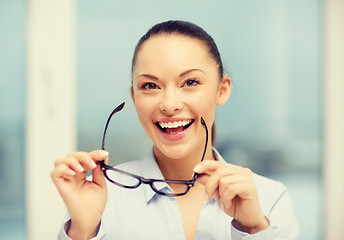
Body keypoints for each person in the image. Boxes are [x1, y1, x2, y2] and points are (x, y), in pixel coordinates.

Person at [51, 20, 299, 240]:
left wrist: (254, 229)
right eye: (150, 86)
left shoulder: (270, 200)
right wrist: (82, 232)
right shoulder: (99, 200)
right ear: (134, 97)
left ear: (222, 90)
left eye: (190, 82)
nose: (169, 104)